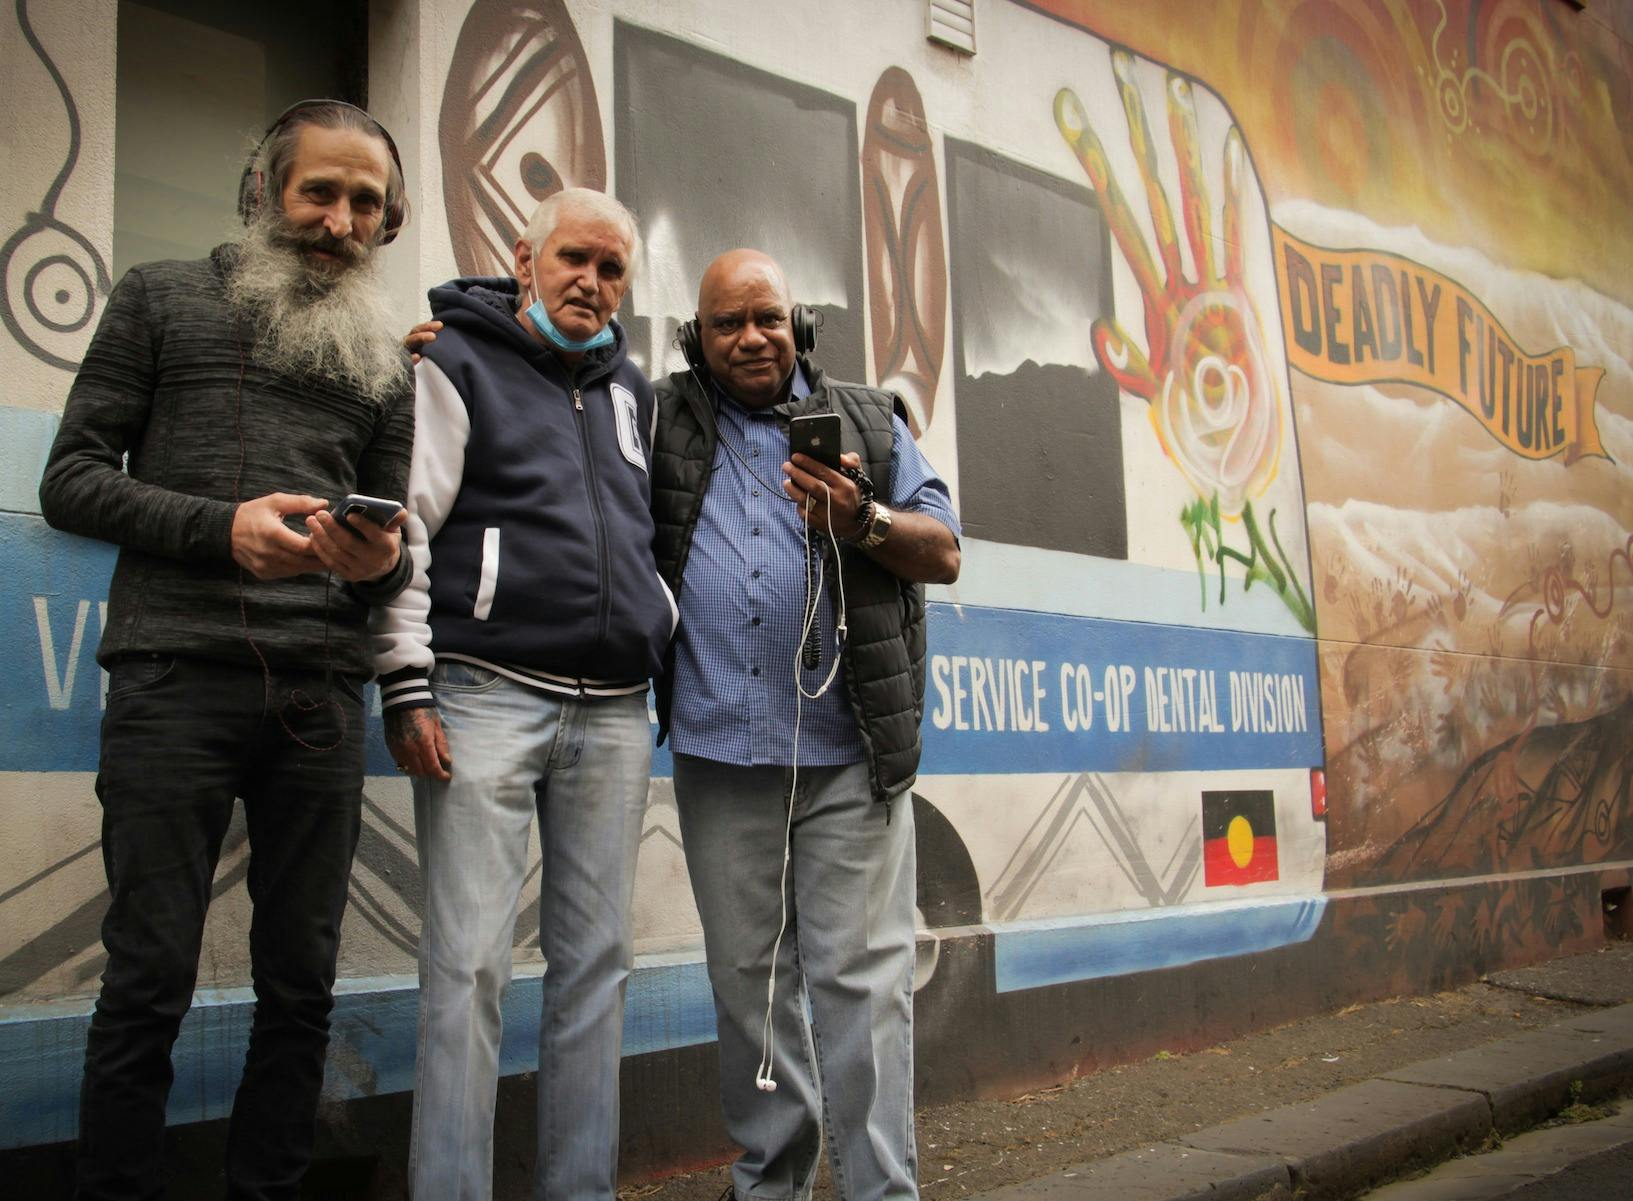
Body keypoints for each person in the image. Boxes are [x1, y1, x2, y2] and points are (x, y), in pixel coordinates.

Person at [38, 99, 415, 1200]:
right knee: (145, 983)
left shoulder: (388, 361)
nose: (340, 221)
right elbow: (70, 481)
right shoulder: (158, 297)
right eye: (319, 192)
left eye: (365, 203)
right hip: (171, 680)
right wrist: (222, 530)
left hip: (320, 698)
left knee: (301, 989)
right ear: (263, 192)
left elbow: (392, 562)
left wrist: (374, 563)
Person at [373, 187, 674, 1201]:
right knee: (467, 968)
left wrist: (656, 621)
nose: (589, 280)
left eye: (610, 267)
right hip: (484, 694)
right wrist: (406, 683)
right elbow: (406, 527)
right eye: (571, 258)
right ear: (524, 259)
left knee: (598, 967)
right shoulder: (455, 361)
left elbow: (643, 531)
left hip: (615, 708)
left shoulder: (631, 390)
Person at [651, 249, 961, 1201]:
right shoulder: (657, 419)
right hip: (719, 753)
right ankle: (769, 1186)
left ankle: (880, 1189)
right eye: (727, 323)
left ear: (801, 326)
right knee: (750, 989)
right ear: (694, 338)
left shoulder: (869, 419)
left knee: (863, 987)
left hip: (850, 756)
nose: (752, 338)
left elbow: (944, 550)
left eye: (769, 318)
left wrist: (861, 517)